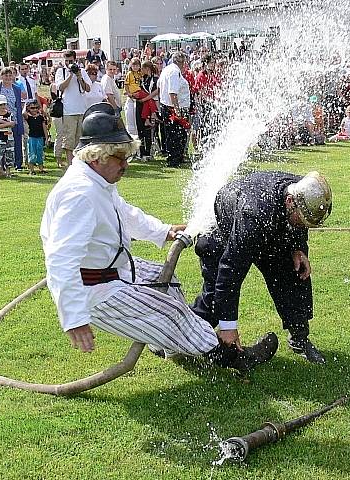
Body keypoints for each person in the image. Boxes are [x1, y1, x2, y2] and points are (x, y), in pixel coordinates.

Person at [40, 102, 278, 371]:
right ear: (98, 156)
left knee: (166, 277)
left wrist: (163, 231)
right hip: (94, 291)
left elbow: (125, 214)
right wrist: (74, 318)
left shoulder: (97, 183)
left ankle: (170, 344)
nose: (126, 164)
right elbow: (61, 260)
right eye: (120, 157)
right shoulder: (79, 195)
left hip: (112, 270)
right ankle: (230, 357)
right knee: (171, 313)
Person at [191, 171, 332, 364]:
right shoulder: (253, 215)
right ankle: (177, 336)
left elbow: (300, 225)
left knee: (294, 273)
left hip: (268, 222)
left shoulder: (304, 188)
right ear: (290, 201)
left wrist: (298, 248)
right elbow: (229, 271)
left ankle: (299, 338)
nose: (302, 225)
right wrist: (228, 326)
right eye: (301, 220)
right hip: (225, 232)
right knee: (216, 300)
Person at [55, 50, 92, 167]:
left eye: (70, 61)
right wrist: (71, 74)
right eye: (66, 61)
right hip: (68, 111)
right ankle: (71, 165)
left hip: (82, 110)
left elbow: (87, 89)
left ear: (75, 60)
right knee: (69, 141)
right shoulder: (61, 72)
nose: (68, 63)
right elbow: (61, 87)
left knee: (80, 140)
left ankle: (79, 165)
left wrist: (79, 77)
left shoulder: (82, 71)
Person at [158, 52, 191, 167]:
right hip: (173, 107)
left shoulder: (167, 69)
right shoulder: (174, 72)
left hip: (168, 106)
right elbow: (172, 92)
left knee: (176, 134)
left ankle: (177, 157)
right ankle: (174, 159)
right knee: (175, 134)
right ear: (181, 62)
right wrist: (176, 109)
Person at [0, 67, 24, 169]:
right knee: (3, 141)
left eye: (10, 75)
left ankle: (17, 164)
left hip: (14, 118)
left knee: (16, 141)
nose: (8, 77)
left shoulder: (17, 88)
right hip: (1, 119)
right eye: (6, 75)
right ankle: (2, 165)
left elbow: (18, 104)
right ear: (1, 76)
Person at [23, 99, 48, 175]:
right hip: (31, 138)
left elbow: (44, 128)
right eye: (32, 108)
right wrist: (25, 105)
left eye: (36, 107)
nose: (35, 109)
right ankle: (31, 170)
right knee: (32, 153)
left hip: (40, 137)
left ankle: (41, 169)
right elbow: (23, 113)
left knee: (40, 153)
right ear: (28, 109)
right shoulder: (29, 117)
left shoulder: (41, 117)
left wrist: (46, 138)